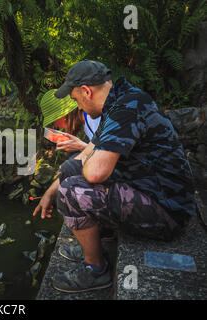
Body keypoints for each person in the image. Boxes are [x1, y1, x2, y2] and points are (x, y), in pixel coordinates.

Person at [33, 60, 195, 293]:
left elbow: (95, 171)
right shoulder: (118, 104)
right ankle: (97, 240)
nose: (77, 105)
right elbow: (82, 157)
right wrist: (49, 192)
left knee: (72, 191)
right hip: (147, 190)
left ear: (86, 91)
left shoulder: (127, 108)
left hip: (168, 210)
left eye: (76, 99)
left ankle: (95, 269)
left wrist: (87, 159)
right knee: (70, 169)